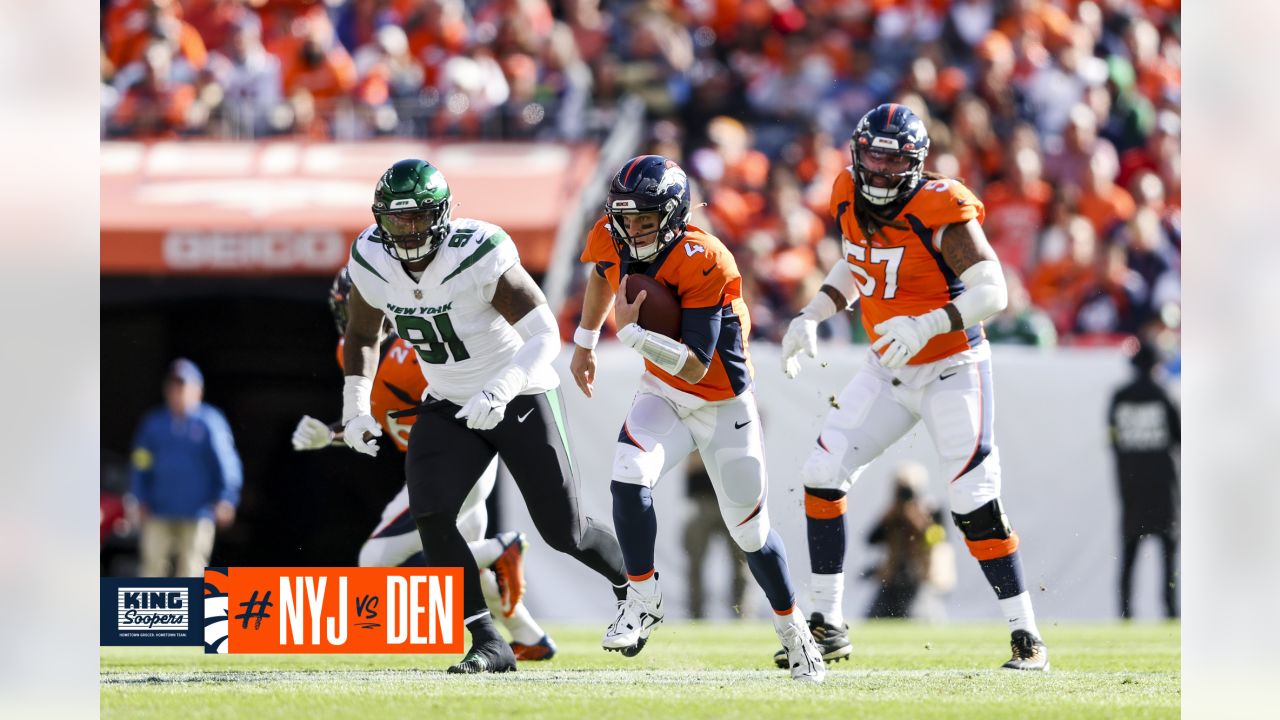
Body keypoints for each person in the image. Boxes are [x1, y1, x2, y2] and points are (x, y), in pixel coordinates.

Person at [780, 103, 1050, 671]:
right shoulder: (845, 193)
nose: (877, 172)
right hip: (888, 367)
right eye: (870, 158)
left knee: (973, 498)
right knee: (821, 473)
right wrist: (812, 314)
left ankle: (1027, 636)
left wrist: (927, 322)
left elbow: (993, 291)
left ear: (915, 163)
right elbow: (858, 264)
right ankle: (828, 623)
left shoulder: (939, 205)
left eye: (891, 161)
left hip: (953, 365)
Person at [340, 158, 629, 674]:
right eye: (397, 220)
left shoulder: (475, 252)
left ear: (444, 215)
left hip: (518, 392)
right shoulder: (370, 257)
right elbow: (362, 334)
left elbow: (544, 334)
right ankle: (488, 641)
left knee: (564, 531)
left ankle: (636, 589)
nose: (408, 232)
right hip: (449, 398)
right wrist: (354, 406)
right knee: (431, 514)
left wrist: (501, 389)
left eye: (419, 218)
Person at [571, 154, 825, 682]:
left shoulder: (705, 256)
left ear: (674, 214)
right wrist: (586, 340)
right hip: (663, 392)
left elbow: (697, 361)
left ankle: (794, 631)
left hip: (721, 401)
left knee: (750, 533)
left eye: (645, 219)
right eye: (627, 217)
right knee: (627, 475)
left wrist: (634, 334)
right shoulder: (612, 233)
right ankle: (642, 599)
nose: (633, 229)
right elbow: (602, 274)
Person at [290, 268, 556, 661]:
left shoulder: (415, 351)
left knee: (375, 559)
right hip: (455, 467)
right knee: (465, 567)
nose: (358, 317)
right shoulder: (367, 352)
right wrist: (330, 434)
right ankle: (529, 636)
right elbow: (378, 419)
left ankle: (499, 549)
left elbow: (462, 393)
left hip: (459, 465)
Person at [129, 358, 242, 577]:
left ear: (197, 390)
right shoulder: (153, 424)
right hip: (157, 509)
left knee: (191, 569)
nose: (178, 392)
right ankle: (155, 612)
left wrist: (226, 498)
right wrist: (137, 496)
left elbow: (227, 463)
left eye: (183, 386)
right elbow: (140, 462)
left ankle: (190, 611)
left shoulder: (210, 422)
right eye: (174, 386)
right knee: (152, 568)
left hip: (197, 510)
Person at [1108, 339, 1180, 619]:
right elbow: (1180, 438)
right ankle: (1171, 610)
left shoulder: (1119, 396)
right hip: (1164, 487)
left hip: (1131, 485)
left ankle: (1125, 612)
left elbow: (1113, 440)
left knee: (1129, 553)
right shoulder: (1164, 395)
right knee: (1168, 554)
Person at [863, 462, 952, 620]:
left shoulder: (931, 510)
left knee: (919, 617)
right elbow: (870, 539)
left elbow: (938, 540)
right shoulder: (892, 514)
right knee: (874, 618)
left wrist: (918, 520)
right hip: (893, 578)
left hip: (922, 578)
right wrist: (888, 517)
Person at [681, 453, 751, 620]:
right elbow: (693, 459)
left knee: (742, 562)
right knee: (694, 563)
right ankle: (695, 614)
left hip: (735, 501)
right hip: (703, 499)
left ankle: (742, 613)